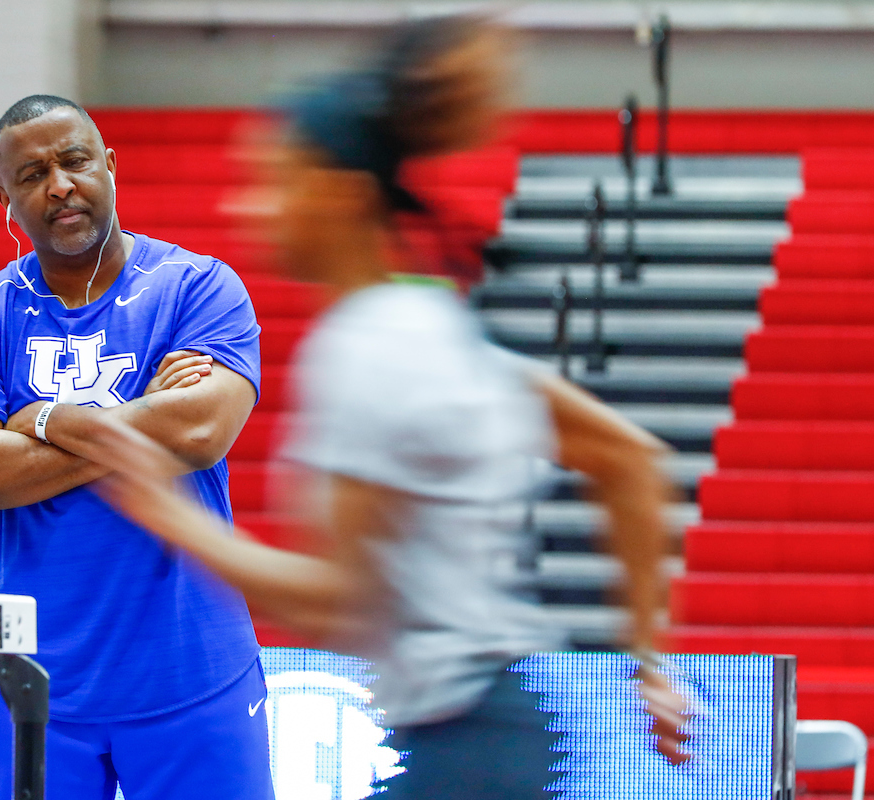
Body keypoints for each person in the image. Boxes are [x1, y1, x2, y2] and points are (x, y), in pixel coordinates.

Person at [70, 18, 692, 799]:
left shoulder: (368, 348)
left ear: (340, 196)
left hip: (461, 751)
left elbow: (338, 602)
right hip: (498, 737)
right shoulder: (436, 325)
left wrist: (168, 512)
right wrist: (651, 661)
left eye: (275, 181)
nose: (248, 207)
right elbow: (629, 458)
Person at [0, 95, 274, 800]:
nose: (59, 184)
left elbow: (202, 434)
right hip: (23, 681)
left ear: (109, 165)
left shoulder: (200, 287)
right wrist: (149, 420)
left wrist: (42, 417)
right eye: (31, 174)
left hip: (191, 670)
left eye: (75, 160)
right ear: (6, 197)